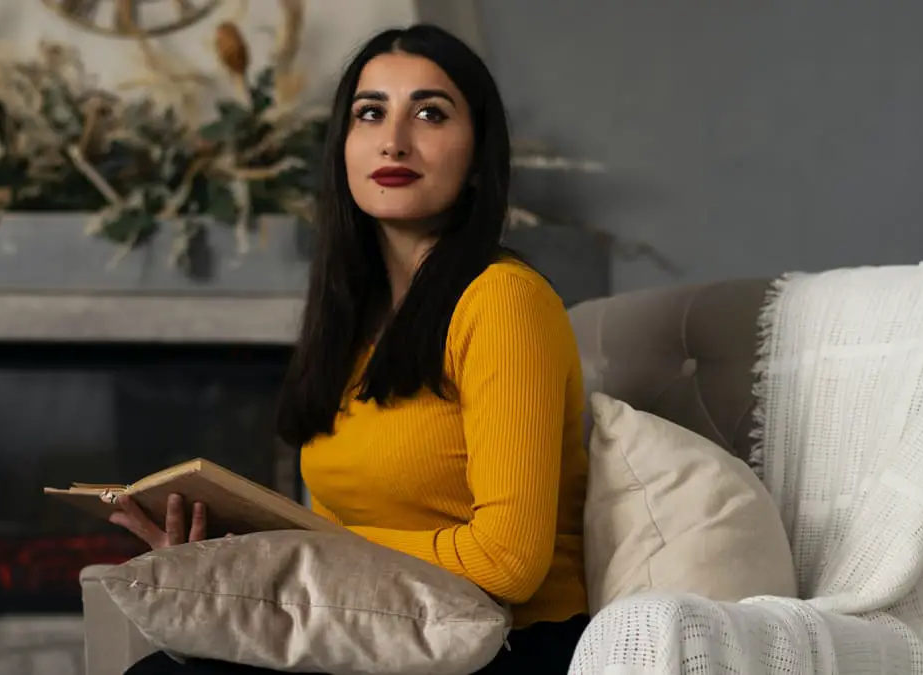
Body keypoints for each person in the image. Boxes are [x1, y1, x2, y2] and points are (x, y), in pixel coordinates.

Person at [115, 23, 590, 675]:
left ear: (478, 156)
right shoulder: (349, 324)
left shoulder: (504, 300)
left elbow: (509, 562)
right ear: (343, 147)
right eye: (371, 113)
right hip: (388, 630)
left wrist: (292, 546)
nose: (394, 139)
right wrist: (216, 553)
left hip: (509, 645)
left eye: (430, 112)